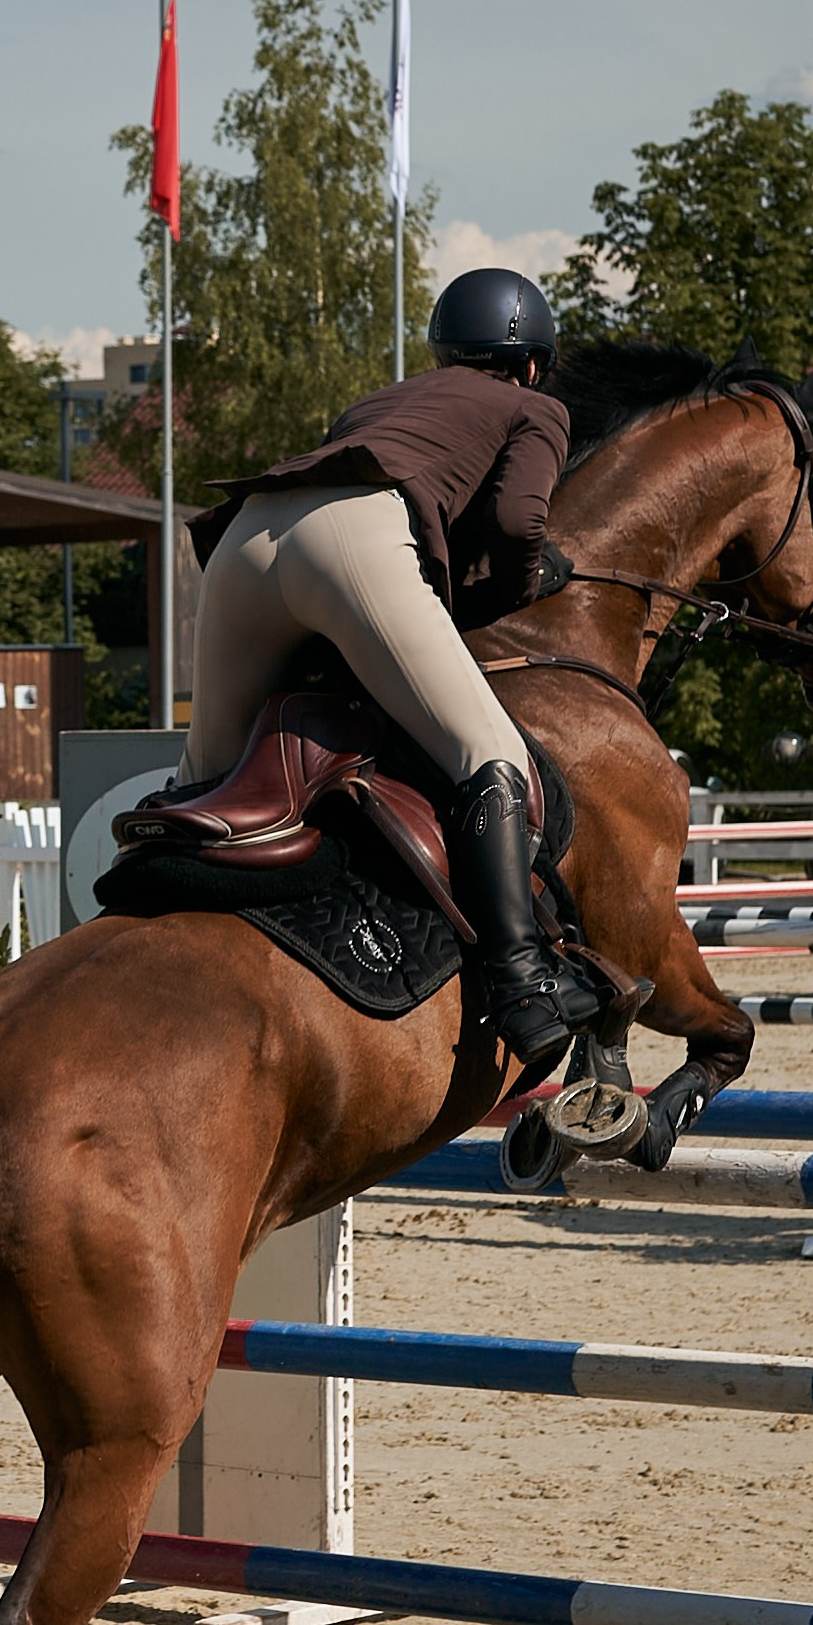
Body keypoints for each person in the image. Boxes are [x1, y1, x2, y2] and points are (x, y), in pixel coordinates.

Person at [167, 267, 591, 1065]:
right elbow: (514, 520)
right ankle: (522, 987)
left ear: (442, 350)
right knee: (489, 757)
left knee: (204, 782)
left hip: (244, 540)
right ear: (531, 361)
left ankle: (124, 918)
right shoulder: (535, 406)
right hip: (351, 543)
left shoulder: (382, 403)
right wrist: (519, 585)